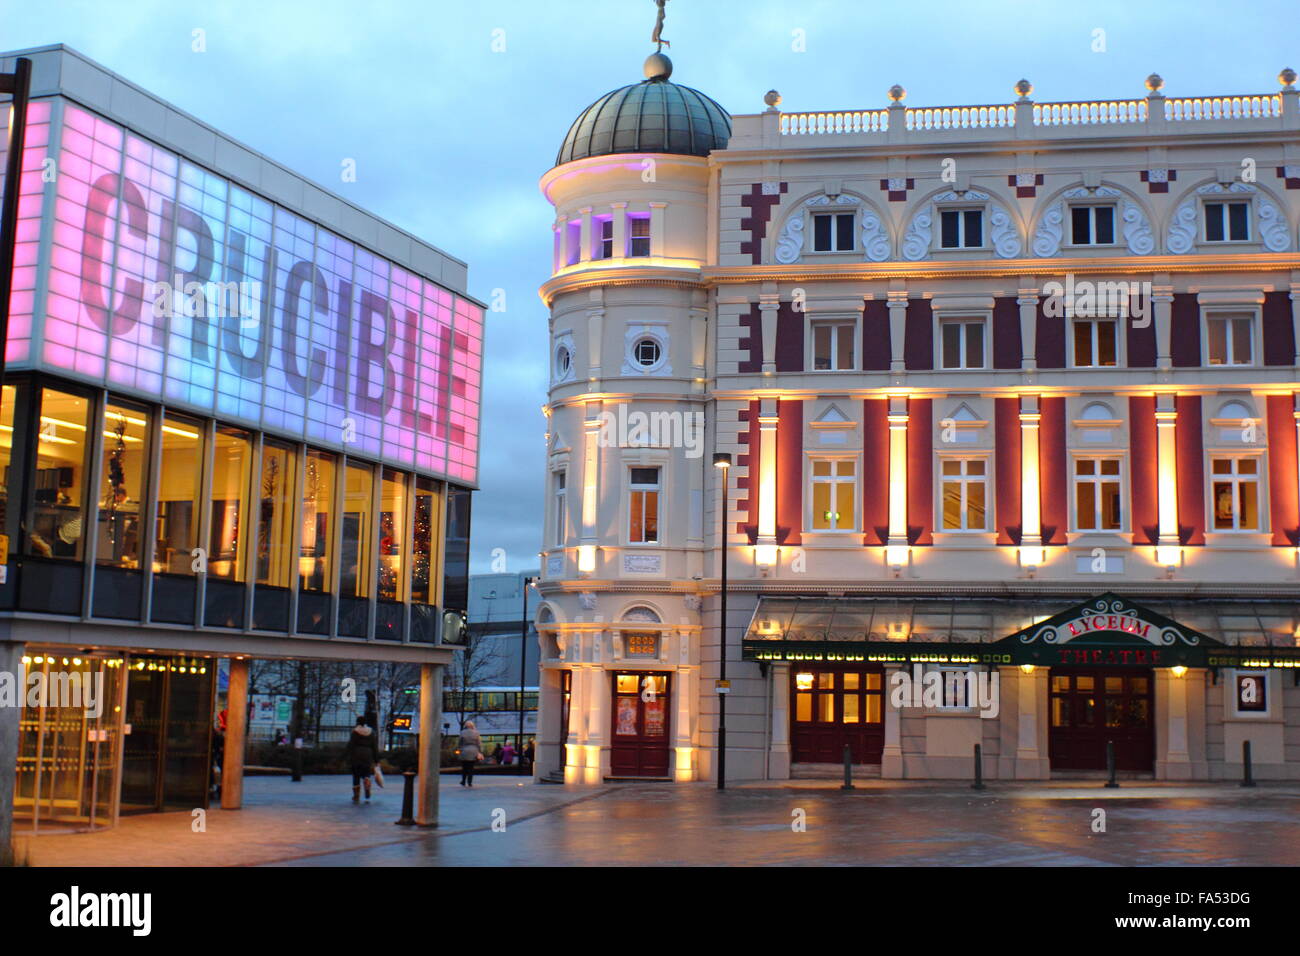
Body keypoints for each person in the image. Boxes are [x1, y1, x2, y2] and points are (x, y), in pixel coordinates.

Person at [346, 716, 378, 803]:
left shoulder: (355, 732)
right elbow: (374, 746)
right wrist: (376, 760)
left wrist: (345, 756)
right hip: (368, 755)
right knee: (366, 773)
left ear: (357, 722)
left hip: (356, 755)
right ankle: (367, 785)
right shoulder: (371, 732)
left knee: (356, 775)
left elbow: (351, 745)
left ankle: (356, 795)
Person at [459, 721, 482, 787]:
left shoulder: (462, 732)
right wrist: (480, 751)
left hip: (464, 751)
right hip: (474, 751)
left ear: (466, 725)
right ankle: (470, 782)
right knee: (471, 767)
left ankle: (463, 781)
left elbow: (460, 742)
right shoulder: (476, 733)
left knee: (464, 767)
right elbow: (479, 744)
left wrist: (460, 749)